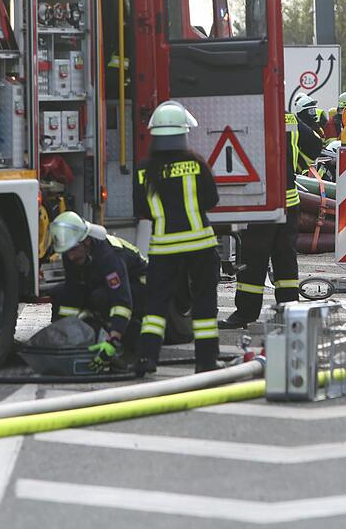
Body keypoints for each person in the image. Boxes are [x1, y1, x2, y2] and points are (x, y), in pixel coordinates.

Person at [133, 100, 222, 374]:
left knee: (155, 306)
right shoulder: (197, 164)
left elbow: (141, 210)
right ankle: (206, 362)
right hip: (201, 246)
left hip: (163, 248)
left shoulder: (143, 170)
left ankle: (147, 358)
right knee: (204, 304)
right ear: (183, 133)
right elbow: (212, 200)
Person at [220, 109, 321, 328]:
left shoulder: (247, 114)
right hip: (289, 202)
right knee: (285, 259)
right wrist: (296, 167)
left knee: (252, 259)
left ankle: (245, 313)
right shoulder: (290, 117)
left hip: (260, 202)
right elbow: (315, 144)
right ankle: (289, 311)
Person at [48, 211, 151, 372]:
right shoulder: (72, 256)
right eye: (66, 252)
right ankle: (98, 336)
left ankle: (132, 346)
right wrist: (67, 335)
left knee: (101, 298)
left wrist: (112, 342)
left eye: (74, 250)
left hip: (143, 288)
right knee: (58, 293)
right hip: (111, 287)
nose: (71, 257)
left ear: (87, 241)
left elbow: (121, 303)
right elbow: (73, 293)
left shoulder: (108, 257)